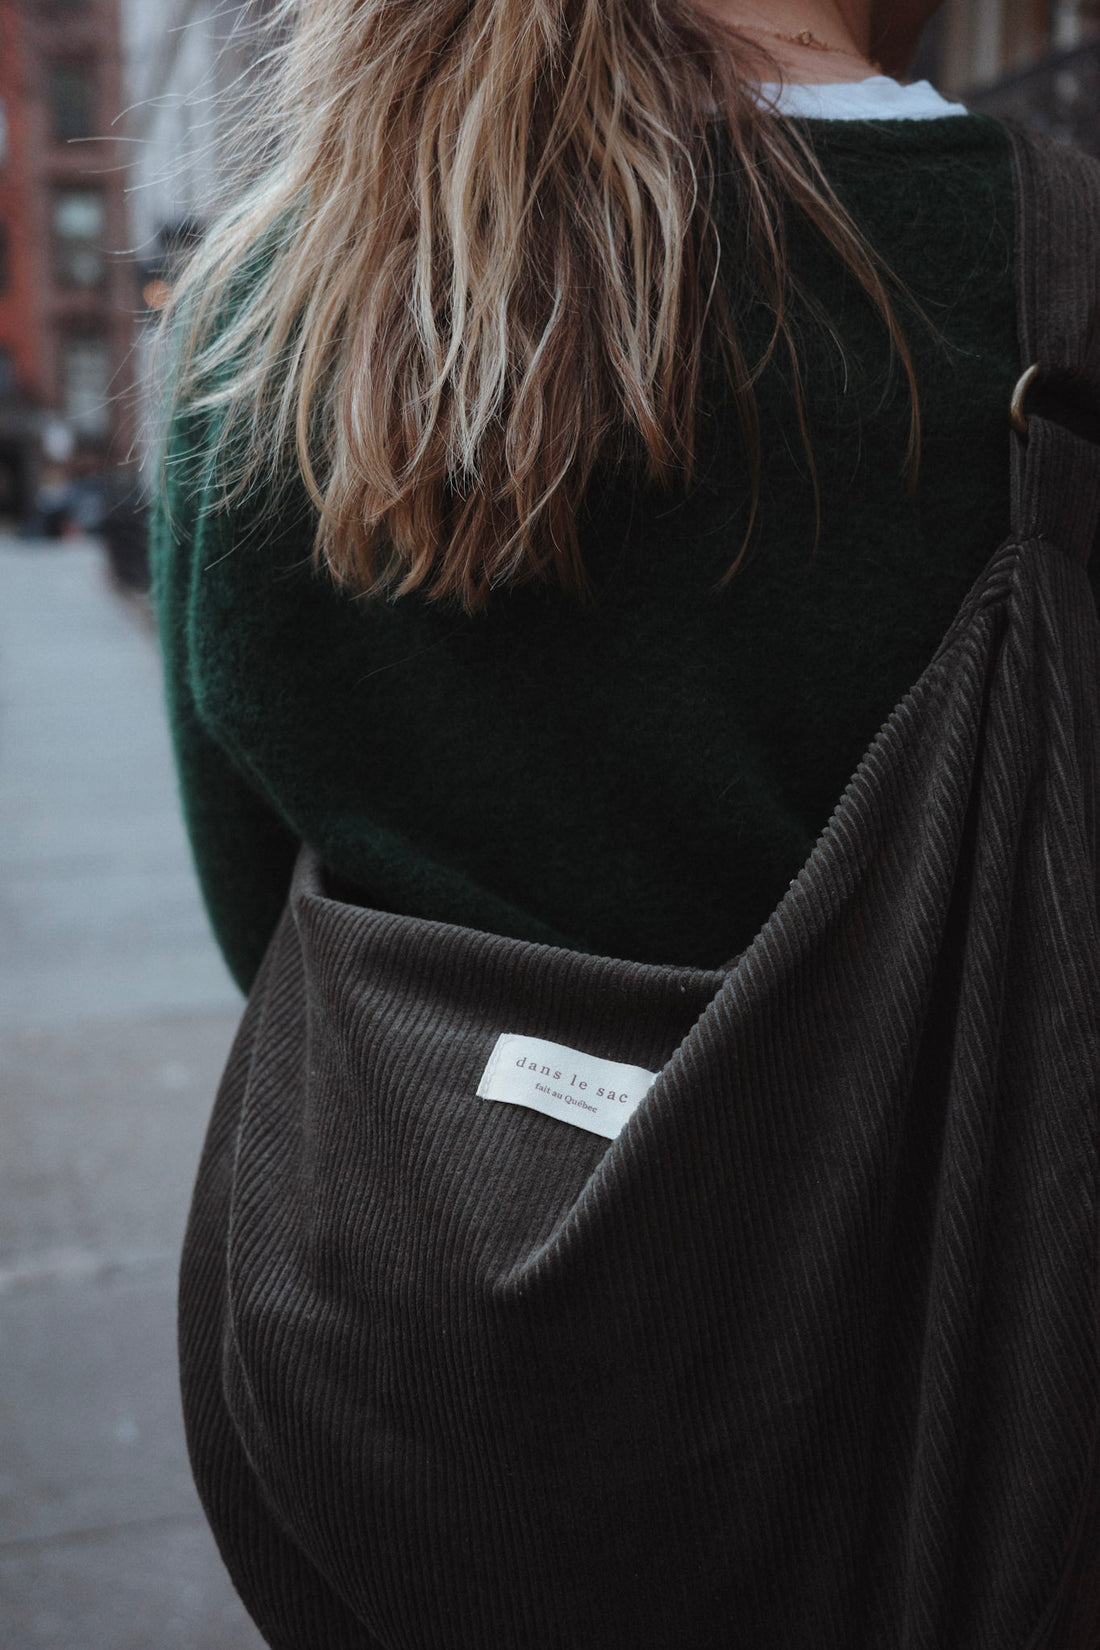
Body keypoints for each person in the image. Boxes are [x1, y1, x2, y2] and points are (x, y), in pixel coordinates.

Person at [151, 0, 1100, 1644]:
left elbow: (261, 903)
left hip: (397, 1403)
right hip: (940, 1390)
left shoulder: (276, 294)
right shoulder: (1051, 270)